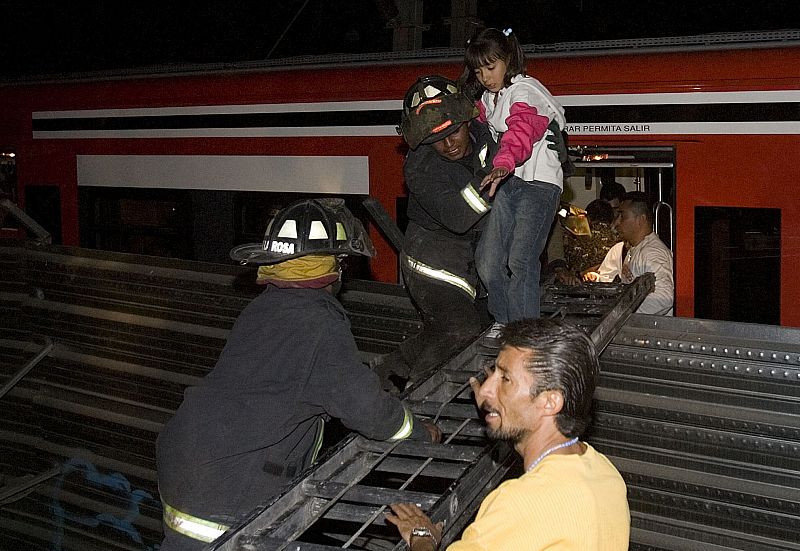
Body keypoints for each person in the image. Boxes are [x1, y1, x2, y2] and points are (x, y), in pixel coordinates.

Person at [156, 198, 441, 551]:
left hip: (186, 468)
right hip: (228, 491)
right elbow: (365, 408)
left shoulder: (261, 310)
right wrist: (417, 431)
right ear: (333, 267)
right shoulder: (319, 322)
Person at [385, 318, 630, 550]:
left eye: (505, 379)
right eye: (492, 374)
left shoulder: (519, 503)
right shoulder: (605, 473)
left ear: (549, 402)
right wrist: (497, 406)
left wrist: (422, 539)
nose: (485, 390)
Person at [372, 75, 497, 392]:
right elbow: (459, 216)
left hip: (468, 262)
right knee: (459, 329)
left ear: (467, 119)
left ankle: (387, 370)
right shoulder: (420, 168)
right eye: (436, 138)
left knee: (472, 330)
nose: (449, 143)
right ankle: (416, 398)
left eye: (454, 131)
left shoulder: (487, 134)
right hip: (431, 261)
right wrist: (494, 175)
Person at [463, 27, 567, 325]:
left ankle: (523, 333)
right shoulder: (490, 98)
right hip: (510, 182)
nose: (485, 76)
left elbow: (521, 130)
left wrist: (503, 162)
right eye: (478, 70)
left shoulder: (525, 92)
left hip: (538, 185)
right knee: (487, 261)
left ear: (508, 59)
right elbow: (472, 117)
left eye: (490, 67)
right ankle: (505, 323)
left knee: (521, 260)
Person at [584, 191, 675, 315]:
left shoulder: (653, 253)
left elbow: (663, 299)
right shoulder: (635, 249)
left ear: (640, 220)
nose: (617, 223)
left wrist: (621, 313)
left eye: (623, 216)